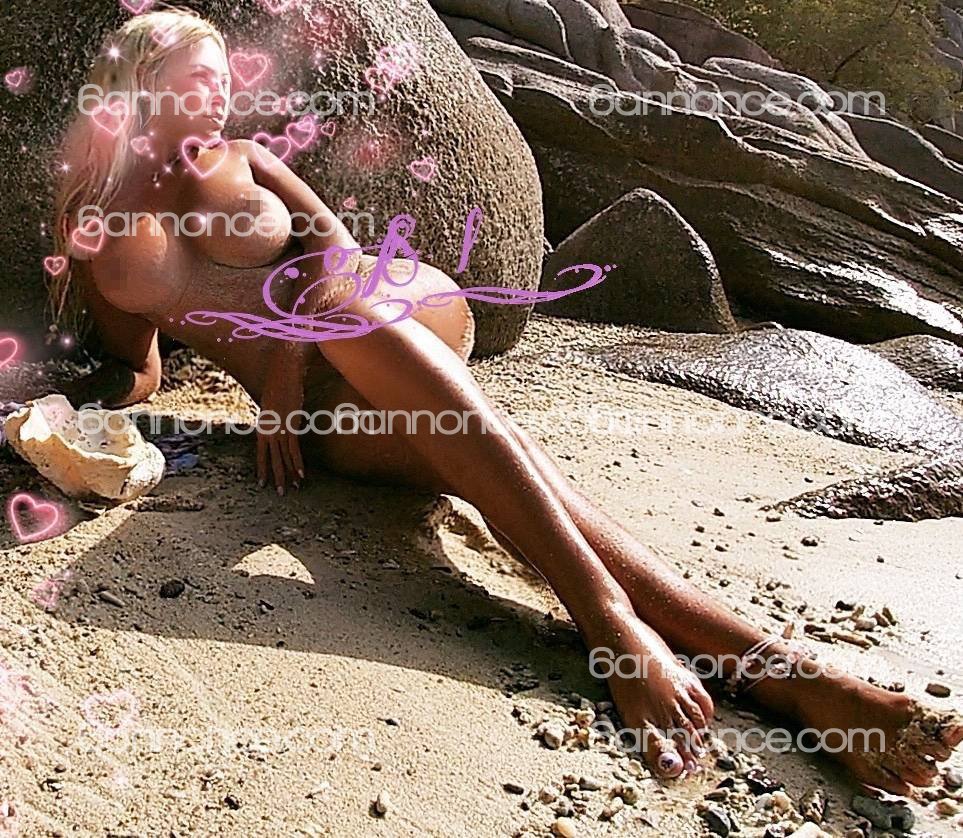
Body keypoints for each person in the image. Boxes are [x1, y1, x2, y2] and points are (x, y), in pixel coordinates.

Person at [48, 7, 960, 790]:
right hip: (326, 417)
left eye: (222, 78)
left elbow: (333, 251)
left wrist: (282, 373)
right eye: (196, 79)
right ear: (140, 82)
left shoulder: (245, 158)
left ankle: (611, 627)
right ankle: (788, 674)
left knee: (345, 319)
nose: (217, 96)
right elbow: (138, 365)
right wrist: (62, 412)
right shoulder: (96, 216)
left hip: (381, 312)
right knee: (502, 478)